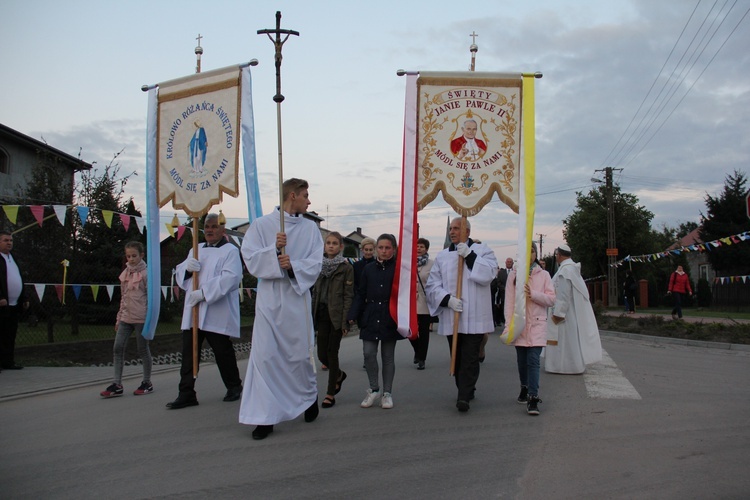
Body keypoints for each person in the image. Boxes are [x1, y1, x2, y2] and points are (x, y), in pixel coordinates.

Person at [239, 178, 323, 440]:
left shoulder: (310, 229)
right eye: (306, 195)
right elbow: (250, 257)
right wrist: (273, 249)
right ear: (293, 195)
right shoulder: (262, 225)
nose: (309, 201)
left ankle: (308, 398)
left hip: (296, 299)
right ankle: (265, 416)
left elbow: (315, 262)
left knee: (298, 356)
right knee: (265, 357)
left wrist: (293, 265)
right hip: (270, 299)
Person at [167, 213, 243, 409]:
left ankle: (234, 386)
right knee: (189, 353)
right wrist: (187, 269)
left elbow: (231, 278)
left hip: (216, 310)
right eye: (207, 227)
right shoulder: (196, 248)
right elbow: (181, 275)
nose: (209, 230)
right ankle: (186, 392)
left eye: (214, 226)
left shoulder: (230, 251)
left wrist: (204, 293)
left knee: (222, 351)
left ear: (222, 230)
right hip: (194, 311)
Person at [426, 218, 498, 412]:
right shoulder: (442, 256)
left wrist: (470, 256)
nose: (452, 232)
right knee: (456, 356)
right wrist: (447, 299)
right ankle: (465, 387)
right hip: (453, 316)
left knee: (470, 357)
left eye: (456, 228)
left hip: (475, 315)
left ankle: (463, 396)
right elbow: (432, 285)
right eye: (450, 229)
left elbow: (490, 274)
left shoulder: (483, 251)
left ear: (467, 230)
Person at [347, 233, 403, 409]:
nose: (384, 251)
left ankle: (387, 393)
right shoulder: (368, 269)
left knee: (388, 357)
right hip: (371, 315)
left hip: (389, 316)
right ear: (376, 248)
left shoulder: (399, 270)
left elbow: (404, 295)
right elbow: (361, 293)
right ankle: (374, 389)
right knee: (369, 353)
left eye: (387, 248)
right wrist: (352, 314)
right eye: (381, 247)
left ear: (393, 249)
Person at [502, 242, 555, 415]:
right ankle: (524, 387)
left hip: (537, 323)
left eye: (532, 251)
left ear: (536, 254)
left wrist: (534, 294)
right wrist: (508, 325)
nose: (529, 254)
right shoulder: (514, 276)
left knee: (533, 360)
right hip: (520, 324)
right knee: (522, 361)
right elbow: (509, 303)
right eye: (526, 251)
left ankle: (533, 397)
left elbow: (551, 299)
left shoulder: (544, 274)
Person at [100, 241, 153, 398]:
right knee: (118, 348)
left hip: (141, 318)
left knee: (142, 349)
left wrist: (150, 320)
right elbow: (123, 297)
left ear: (141, 255)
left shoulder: (146, 274)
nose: (131, 259)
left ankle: (147, 382)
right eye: (128, 256)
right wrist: (119, 318)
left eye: (134, 256)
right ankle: (117, 383)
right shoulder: (126, 273)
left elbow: (151, 297)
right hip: (126, 317)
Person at [312, 232, 354, 409]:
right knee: (321, 353)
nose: (330, 246)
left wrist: (345, 321)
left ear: (340, 247)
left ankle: (330, 394)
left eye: (334, 243)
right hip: (320, 313)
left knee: (331, 352)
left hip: (336, 316)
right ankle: (339, 375)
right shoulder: (318, 266)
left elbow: (348, 296)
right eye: (328, 243)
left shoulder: (346, 268)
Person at [544, 244, 601, 375]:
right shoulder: (571, 269)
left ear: (559, 255)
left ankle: (561, 366)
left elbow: (563, 294)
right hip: (570, 312)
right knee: (570, 341)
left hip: (563, 313)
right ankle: (571, 365)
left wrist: (558, 314)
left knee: (563, 340)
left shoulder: (565, 271)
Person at [0, 231, 29, 371]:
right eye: (6, 240)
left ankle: (8, 362)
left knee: (10, 335)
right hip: (2, 304)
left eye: (11, 240)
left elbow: (20, 279)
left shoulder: (13, 258)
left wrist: (24, 298)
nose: (9, 243)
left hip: (14, 304)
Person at [411, 237, 434, 370]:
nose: (419, 248)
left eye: (422, 247)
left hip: (425, 301)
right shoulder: (408, 263)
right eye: (417, 246)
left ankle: (422, 358)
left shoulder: (431, 264)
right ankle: (417, 350)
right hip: (410, 301)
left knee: (424, 331)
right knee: (410, 331)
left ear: (426, 249)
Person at [496, 257, 514, 327]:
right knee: (505, 310)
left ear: (513, 263)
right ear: (505, 263)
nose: (509, 263)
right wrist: (505, 288)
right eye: (508, 262)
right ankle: (507, 324)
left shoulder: (516, 272)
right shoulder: (501, 273)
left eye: (510, 262)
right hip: (504, 295)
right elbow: (498, 282)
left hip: (513, 295)